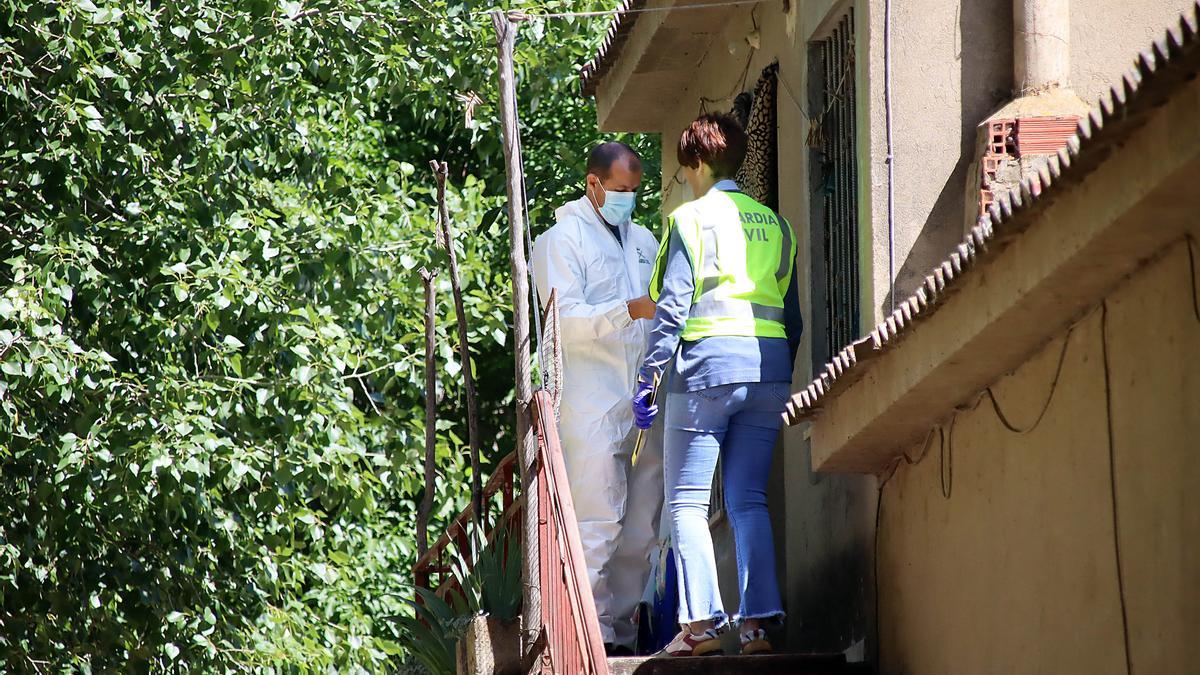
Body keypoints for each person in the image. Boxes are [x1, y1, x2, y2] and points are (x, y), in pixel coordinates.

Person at [632, 114, 801, 657]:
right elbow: (790, 315)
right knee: (749, 499)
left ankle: (701, 627)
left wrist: (649, 378)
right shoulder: (776, 225)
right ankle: (755, 629)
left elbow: (672, 305)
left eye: (686, 171)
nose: (686, 180)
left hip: (705, 373)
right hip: (768, 372)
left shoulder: (690, 221)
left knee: (684, 503)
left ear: (698, 165)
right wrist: (780, 373)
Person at [531, 142, 664, 655]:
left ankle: (624, 640)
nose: (628, 200)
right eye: (620, 190)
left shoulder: (646, 241)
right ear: (593, 184)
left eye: (635, 191)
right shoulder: (561, 241)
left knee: (641, 527)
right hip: (590, 403)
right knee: (597, 523)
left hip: (643, 401)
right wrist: (627, 310)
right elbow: (562, 323)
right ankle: (591, 645)